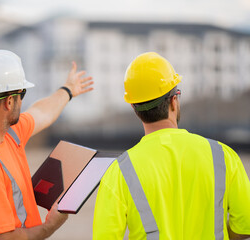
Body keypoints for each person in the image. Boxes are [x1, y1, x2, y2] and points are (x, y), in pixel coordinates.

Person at [92, 52, 250, 240]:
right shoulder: (222, 156)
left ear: (134, 108)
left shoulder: (120, 171)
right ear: (174, 101)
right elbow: (244, 226)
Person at [0, 49, 93, 240]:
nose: (23, 101)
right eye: (22, 94)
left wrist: (67, 90)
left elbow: (41, 112)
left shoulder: (8, 133)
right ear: (9, 101)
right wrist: (50, 226)